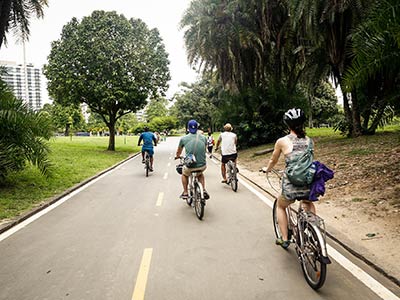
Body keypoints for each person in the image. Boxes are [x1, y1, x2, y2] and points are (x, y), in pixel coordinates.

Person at [262, 108, 315, 249]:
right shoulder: (310, 141)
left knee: (280, 205)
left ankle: (285, 239)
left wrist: (267, 169)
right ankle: (313, 231)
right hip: (309, 183)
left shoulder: (282, 141)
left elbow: (273, 160)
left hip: (291, 185)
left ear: (287, 124)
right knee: (308, 202)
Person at [175, 120, 210, 200]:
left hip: (190, 165)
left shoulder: (183, 139)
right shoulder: (204, 138)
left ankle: (185, 192)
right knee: (200, 174)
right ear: (197, 128)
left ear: (188, 128)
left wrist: (177, 156)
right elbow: (204, 149)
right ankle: (203, 190)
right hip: (202, 165)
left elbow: (178, 151)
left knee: (184, 174)